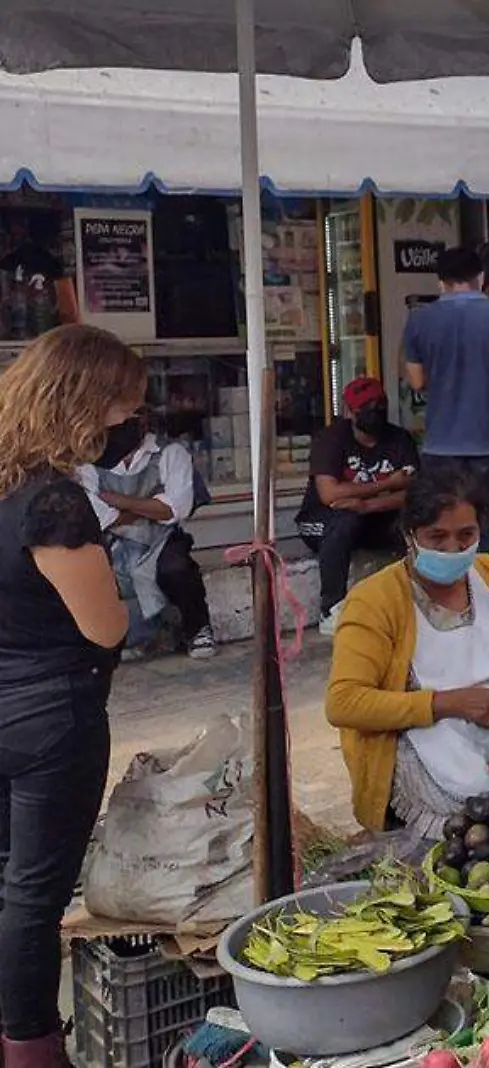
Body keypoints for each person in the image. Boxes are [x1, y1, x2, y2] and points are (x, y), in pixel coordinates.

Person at [0, 325, 144, 1068]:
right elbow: (104, 626)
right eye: (120, 407)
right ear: (82, 404)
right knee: (33, 896)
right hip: (51, 715)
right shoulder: (55, 506)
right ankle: (31, 1048)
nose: (125, 424)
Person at [325, 466, 489, 835]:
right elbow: (344, 702)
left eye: (466, 535)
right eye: (437, 537)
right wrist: (448, 703)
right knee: (485, 814)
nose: (453, 549)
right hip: (425, 734)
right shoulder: (374, 601)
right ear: (410, 535)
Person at [402, 246, 489, 560]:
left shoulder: (420, 321)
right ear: (481, 277)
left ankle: (448, 596)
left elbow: (417, 381)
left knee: (443, 528)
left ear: (440, 282)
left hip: (440, 448)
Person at [74, 410, 215, 660]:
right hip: (113, 537)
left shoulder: (171, 453)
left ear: (143, 423)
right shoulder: (89, 463)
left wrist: (118, 500)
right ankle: (126, 639)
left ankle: (197, 629)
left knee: (176, 568)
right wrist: (149, 506)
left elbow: (175, 508)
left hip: (161, 536)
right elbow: (99, 516)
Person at [297, 376, 421, 633]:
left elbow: (415, 493)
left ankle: (425, 596)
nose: (375, 411)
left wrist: (367, 505)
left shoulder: (399, 439)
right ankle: (331, 609)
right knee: (344, 520)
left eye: (380, 404)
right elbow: (330, 494)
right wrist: (389, 483)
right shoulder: (331, 439)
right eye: (367, 406)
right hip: (320, 521)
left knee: (418, 518)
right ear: (351, 412)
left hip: (374, 518)